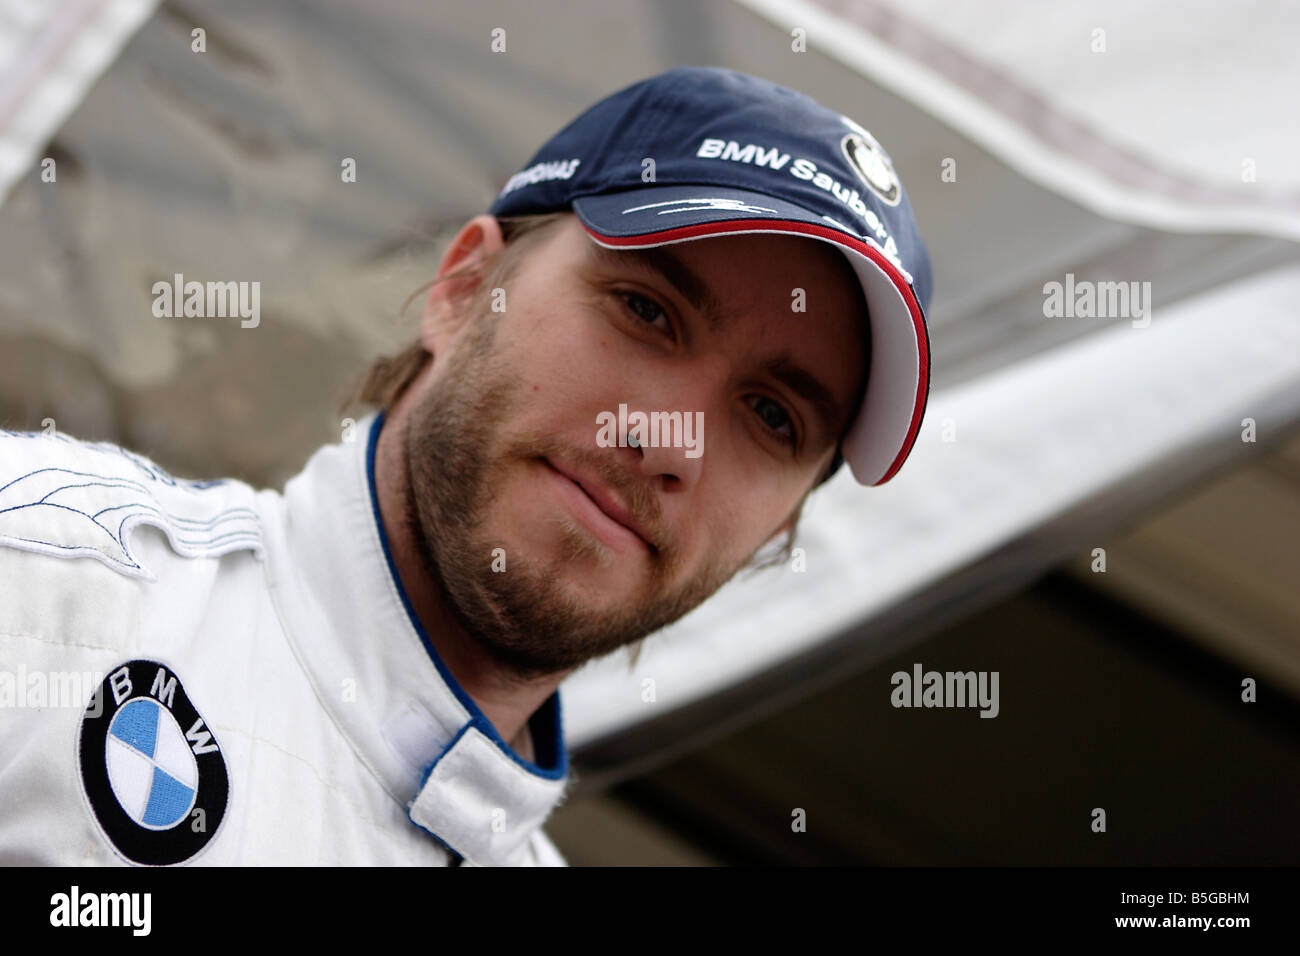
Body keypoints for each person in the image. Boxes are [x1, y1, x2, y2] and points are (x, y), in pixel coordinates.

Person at [0, 66, 931, 866]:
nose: (669, 441)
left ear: (780, 530)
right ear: (460, 290)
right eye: (647, 311)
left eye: (771, 416)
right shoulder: (42, 582)